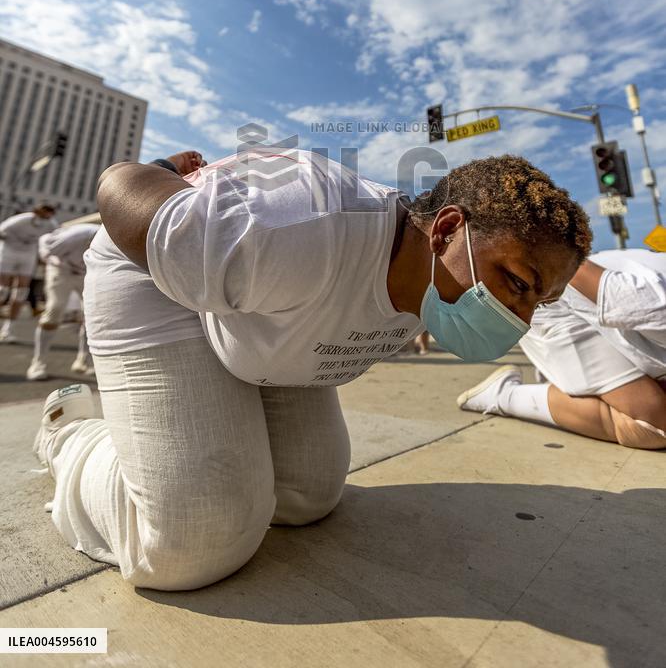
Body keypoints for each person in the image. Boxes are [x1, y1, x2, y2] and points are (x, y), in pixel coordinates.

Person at [33, 150, 590, 592]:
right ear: (444, 231)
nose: (517, 317)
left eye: (537, 302)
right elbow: (118, 183)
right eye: (516, 282)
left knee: (308, 495)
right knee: (195, 540)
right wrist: (154, 172)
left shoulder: (428, 283)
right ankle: (69, 431)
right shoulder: (288, 230)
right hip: (158, 277)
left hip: (260, 314)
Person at [457, 248, 666, 449]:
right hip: (555, 306)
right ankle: (504, 395)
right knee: (653, 424)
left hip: (597, 317)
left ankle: (565, 381)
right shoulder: (654, 302)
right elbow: (571, 270)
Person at [26, 222, 100, 380]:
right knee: (55, 309)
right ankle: (38, 363)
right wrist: (52, 260)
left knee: (93, 314)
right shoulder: (79, 233)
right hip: (61, 270)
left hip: (85, 273)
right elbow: (46, 242)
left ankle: (83, 361)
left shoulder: (115, 239)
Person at [0, 204, 57, 343]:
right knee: (2, 290)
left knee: (21, 292)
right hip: (9, 252)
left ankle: (8, 330)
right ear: (39, 211)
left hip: (28, 254)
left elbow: (55, 238)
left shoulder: (50, 224)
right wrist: (12, 240)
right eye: (45, 213)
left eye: (50, 215)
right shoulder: (21, 220)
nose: (46, 217)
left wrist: (44, 257)